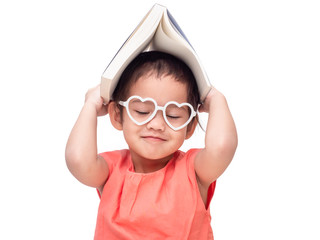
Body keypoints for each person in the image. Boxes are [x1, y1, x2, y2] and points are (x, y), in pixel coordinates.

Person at [65, 51, 237, 239]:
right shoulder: (111, 170)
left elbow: (221, 147)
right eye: (142, 111)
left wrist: (216, 99)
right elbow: (78, 159)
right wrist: (90, 105)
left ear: (189, 127)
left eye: (173, 115)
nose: (156, 125)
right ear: (117, 115)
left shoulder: (194, 171)